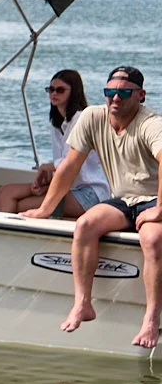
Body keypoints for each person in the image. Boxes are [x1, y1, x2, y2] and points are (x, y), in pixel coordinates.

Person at [22, 65, 162, 345]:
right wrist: (45, 209)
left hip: (154, 198)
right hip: (122, 199)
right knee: (85, 224)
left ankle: (151, 320)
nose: (116, 98)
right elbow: (69, 167)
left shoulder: (151, 124)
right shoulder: (92, 117)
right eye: (110, 91)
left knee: (153, 239)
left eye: (124, 93)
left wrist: (159, 210)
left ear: (141, 95)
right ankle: (82, 304)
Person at [0, 70, 105, 215]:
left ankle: (5, 229)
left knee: (22, 205)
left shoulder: (81, 119)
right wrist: (45, 180)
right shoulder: (57, 124)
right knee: (6, 191)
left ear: (74, 92)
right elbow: (61, 165)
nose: (54, 93)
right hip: (68, 187)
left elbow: (71, 164)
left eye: (60, 90)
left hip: (90, 193)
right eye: (51, 89)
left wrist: (47, 167)